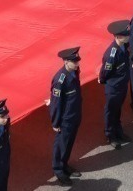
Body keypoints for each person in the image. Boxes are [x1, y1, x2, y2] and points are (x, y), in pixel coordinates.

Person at [49, 47, 83, 185]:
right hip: (65, 119)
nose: (77, 64)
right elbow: (56, 104)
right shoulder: (60, 80)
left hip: (74, 115)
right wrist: (55, 123)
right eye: (74, 62)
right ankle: (58, 170)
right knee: (61, 145)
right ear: (66, 61)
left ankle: (64, 164)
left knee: (69, 143)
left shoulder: (75, 72)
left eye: (77, 61)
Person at [100, 20, 133, 148]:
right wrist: (104, 81)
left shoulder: (124, 46)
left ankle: (118, 131)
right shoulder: (112, 54)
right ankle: (110, 135)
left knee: (117, 110)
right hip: (114, 88)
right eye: (126, 35)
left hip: (122, 85)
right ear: (118, 37)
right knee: (110, 111)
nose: (128, 36)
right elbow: (105, 72)